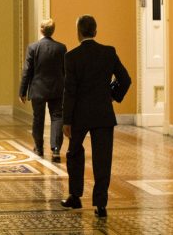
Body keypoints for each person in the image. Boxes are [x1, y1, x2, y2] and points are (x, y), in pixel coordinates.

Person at [60, 14, 131, 218]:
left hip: (79, 115)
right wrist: (112, 95)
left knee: (74, 153)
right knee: (103, 158)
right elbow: (125, 79)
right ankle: (101, 205)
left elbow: (70, 90)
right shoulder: (108, 53)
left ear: (78, 33)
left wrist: (66, 120)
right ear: (95, 31)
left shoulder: (71, 56)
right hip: (103, 114)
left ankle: (75, 196)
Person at [18, 18, 67, 162]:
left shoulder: (33, 48)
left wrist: (22, 91)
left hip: (38, 89)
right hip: (57, 88)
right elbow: (65, 70)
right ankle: (56, 149)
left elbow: (27, 71)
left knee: (38, 118)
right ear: (53, 30)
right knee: (57, 117)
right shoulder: (61, 48)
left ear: (41, 30)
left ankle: (39, 147)